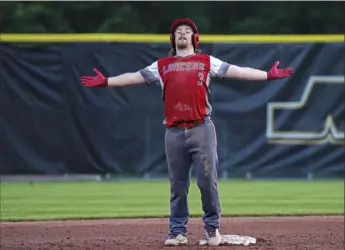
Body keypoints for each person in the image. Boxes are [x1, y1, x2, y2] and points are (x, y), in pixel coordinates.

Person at [80, 18, 293, 246]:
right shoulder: (162, 66)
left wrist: (267, 75)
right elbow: (133, 77)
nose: (182, 33)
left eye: (187, 31)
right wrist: (106, 82)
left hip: (201, 128)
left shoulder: (206, 61)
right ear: (173, 39)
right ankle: (177, 232)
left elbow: (238, 71)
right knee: (178, 186)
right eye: (178, 31)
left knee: (207, 182)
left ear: (195, 38)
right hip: (173, 132)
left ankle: (212, 229)